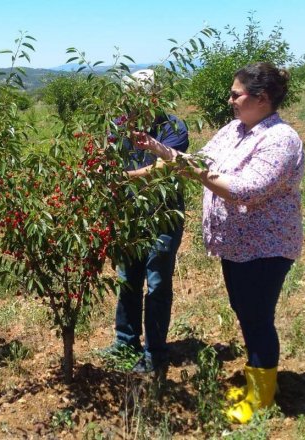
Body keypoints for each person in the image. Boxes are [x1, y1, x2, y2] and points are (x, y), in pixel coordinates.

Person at [133, 62, 304, 423]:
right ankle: (257, 382)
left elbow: (245, 189)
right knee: (246, 312)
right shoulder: (235, 130)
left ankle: (260, 401)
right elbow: (196, 160)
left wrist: (194, 172)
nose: (229, 100)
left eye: (235, 94)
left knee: (257, 318)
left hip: (265, 248)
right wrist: (157, 153)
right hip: (237, 247)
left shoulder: (280, 139)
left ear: (262, 98)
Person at [105, 69, 190, 378]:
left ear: (152, 98)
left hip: (162, 217)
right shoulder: (118, 126)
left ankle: (154, 352)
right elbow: (106, 159)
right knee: (127, 279)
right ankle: (124, 342)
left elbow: (163, 168)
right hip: (129, 217)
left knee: (156, 284)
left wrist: (119, 179)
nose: (128, 105)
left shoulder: (173, 127)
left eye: (135, 99)